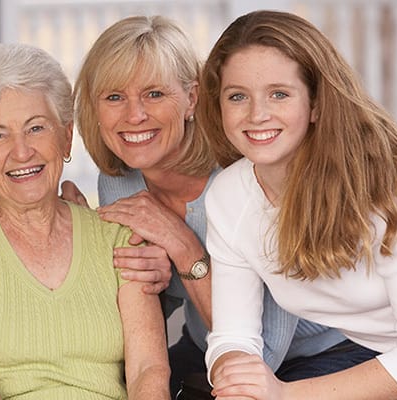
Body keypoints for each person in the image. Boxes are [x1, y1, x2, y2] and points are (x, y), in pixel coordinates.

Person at [64, 15, 378, 397]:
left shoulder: (247, 177)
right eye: (114, 97)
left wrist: (184, 248)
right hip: (208, 347)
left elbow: (264, 353)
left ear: (191, 99)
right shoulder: (119, 180)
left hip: (325, 353)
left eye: (154, 94)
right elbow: (138, 319)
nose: (134, 115)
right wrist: (81, 253)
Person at [201, 10, 397, 400]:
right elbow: (233, 335)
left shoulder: (373, 190)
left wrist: (282, 394)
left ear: (317, 105)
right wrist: (237, 377)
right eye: (238, 96)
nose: (257, 114)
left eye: (279, 94)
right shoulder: (227, 199)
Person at [0, 43, 170, 399]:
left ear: (66, 137)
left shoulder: (118, 238)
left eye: (36, 128)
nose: (21, 151)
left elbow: (150, 371)